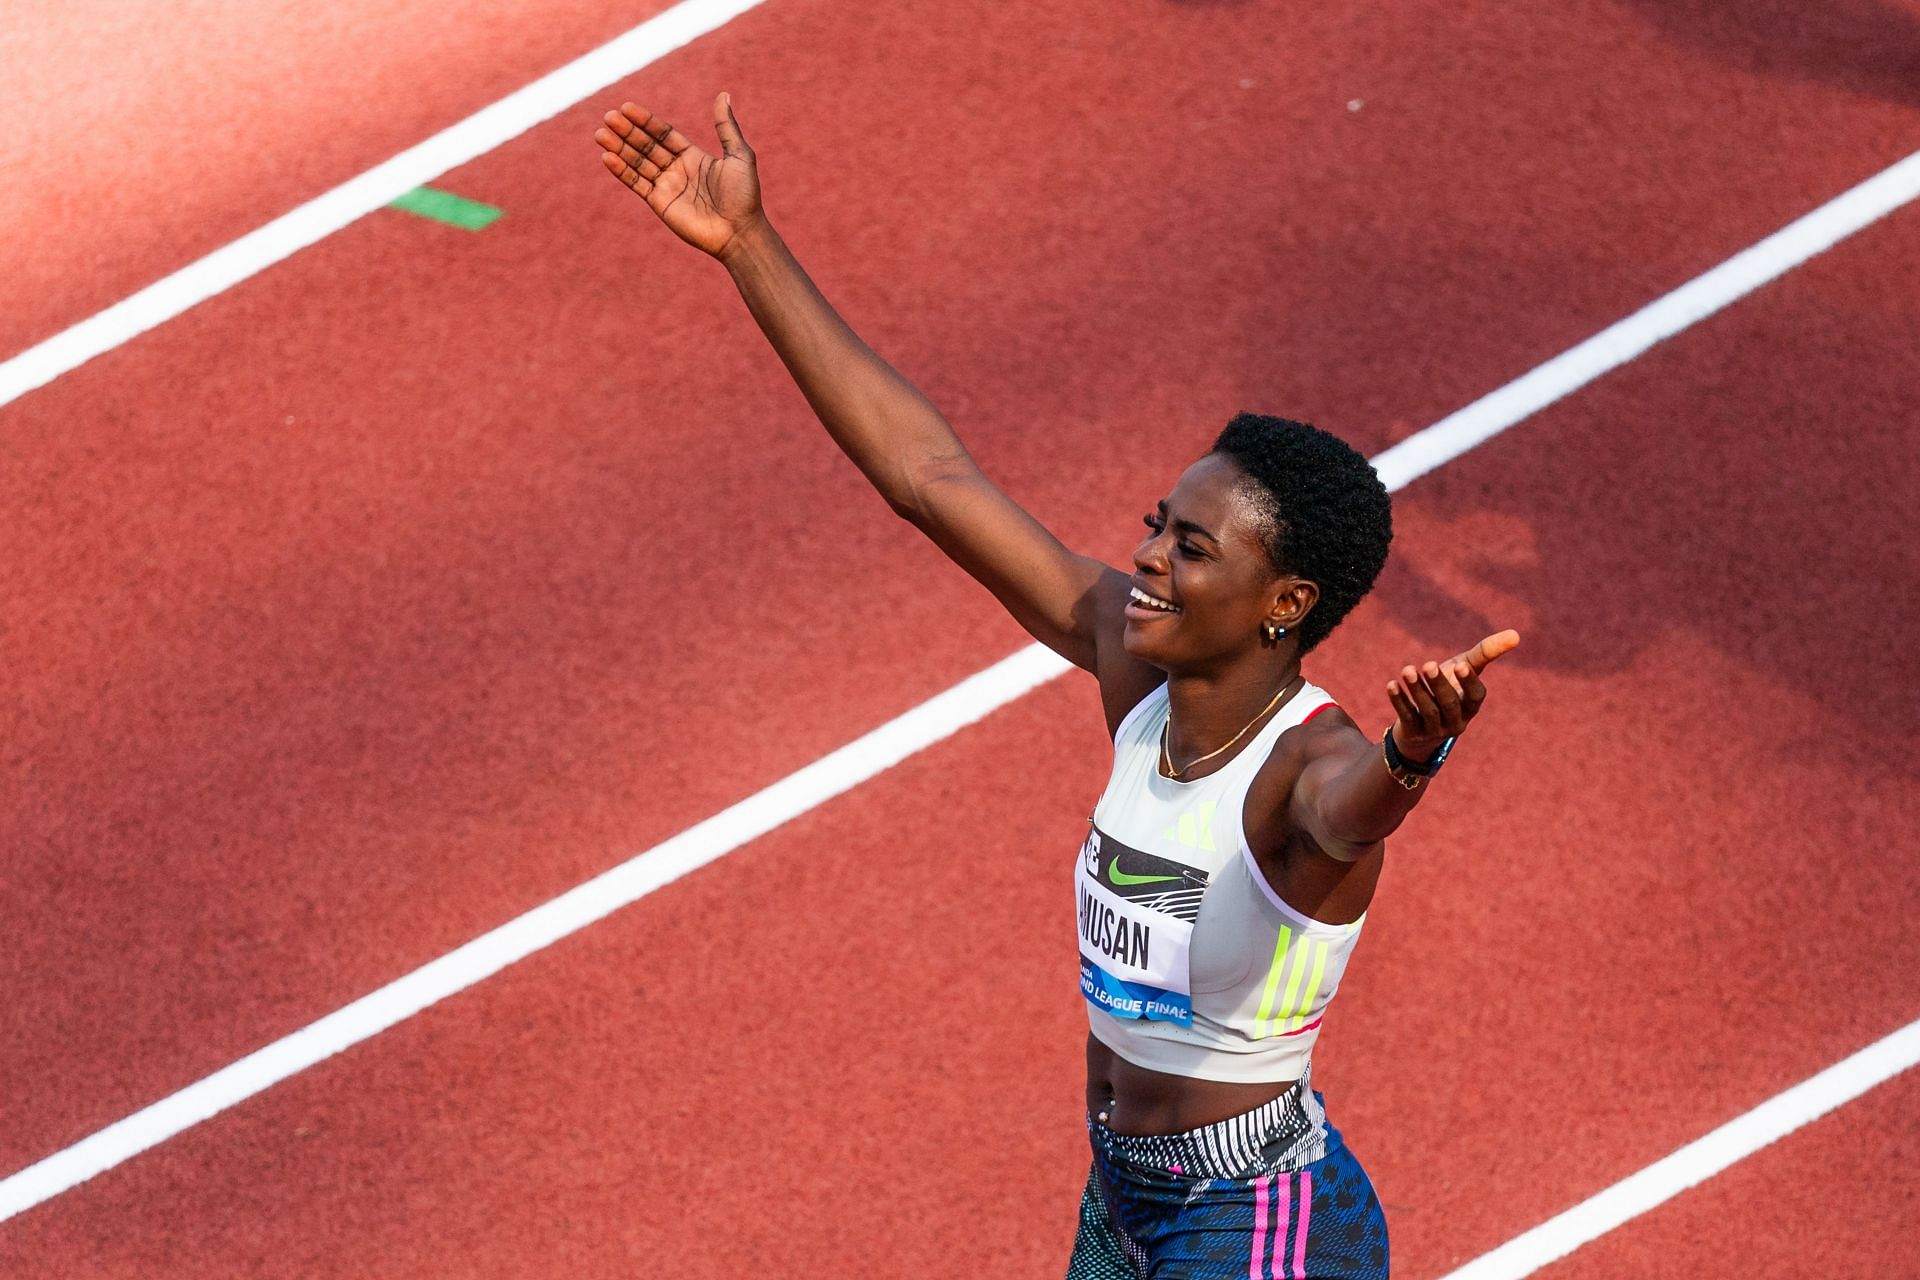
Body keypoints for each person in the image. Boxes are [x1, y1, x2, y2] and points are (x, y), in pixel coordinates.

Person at [594, 93, 1518, 1280]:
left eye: (1192, 547)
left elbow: (1358, 808)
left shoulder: (1309, 766)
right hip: (1128, 1199)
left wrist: (1415, 751)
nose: (1145, 558)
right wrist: (750, 247)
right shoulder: (1138, 679)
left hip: (1257, 1223)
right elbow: (929, 476)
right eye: (1156, 526)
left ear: (1286, 600)